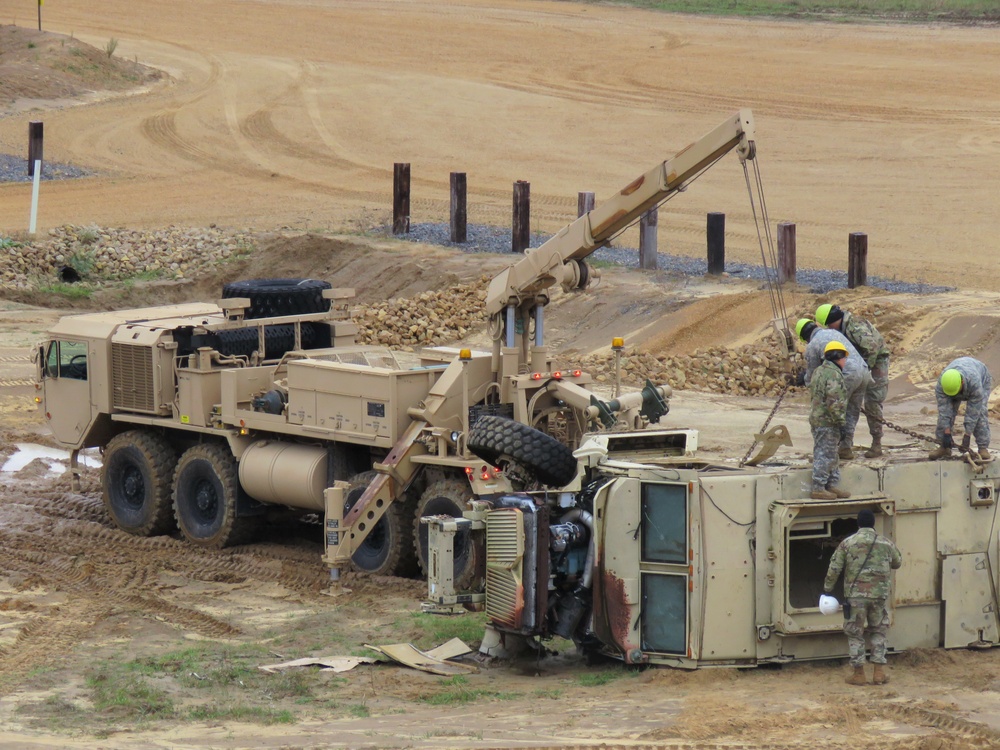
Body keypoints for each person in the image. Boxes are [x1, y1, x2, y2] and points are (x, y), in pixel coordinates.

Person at [823, 508, 902, 686]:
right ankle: (879, 673)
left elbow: (834, 568)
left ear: (858, 524)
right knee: (878, 630)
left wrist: (827, 589)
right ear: (873, 524)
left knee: (855, 633)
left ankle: (859, 674)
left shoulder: (847, 543)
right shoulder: (886, 543)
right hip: (879, 596)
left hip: (855, 597)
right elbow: (897, 562)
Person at [816, 304, 890, 458]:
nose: (830, 329)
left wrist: (865, 368)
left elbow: (872, 348)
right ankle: (845, 446)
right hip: (862, 364)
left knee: (872, 403)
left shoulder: (854, 326)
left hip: (876, 363)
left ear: (834, 320)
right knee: (851, 403)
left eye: (830, 325)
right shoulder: (844, 327)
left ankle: (877, 444)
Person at [796, 319, 873, 460]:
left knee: (829, 412)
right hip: (863, 372)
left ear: (803, 337)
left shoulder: (813, 345)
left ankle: (825, 453)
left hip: (847, 374)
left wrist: (802, 380)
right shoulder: (832, 333)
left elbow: (814, 377)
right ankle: (845, 448)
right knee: (851, 413)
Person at [809, 340, 851, 500]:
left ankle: (831, 485)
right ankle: (819, 487)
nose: (845, 361)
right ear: (838, 357)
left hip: (818, 418)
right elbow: (835, 401)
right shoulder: (834, 374)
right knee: (825, 454)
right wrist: (841, 423)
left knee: (831, 454)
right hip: (828, 421)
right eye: (844, 358)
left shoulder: (819, 371)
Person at [930, 356, 993, 461]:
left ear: (962, 383)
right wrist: (946, 432)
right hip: (955, 386)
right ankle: (944, 447)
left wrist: (967, 434)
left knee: (980, 412)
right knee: (943, 417)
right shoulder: (942, 385)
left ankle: (983, 447)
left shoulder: (974, 382)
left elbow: (973, 412)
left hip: (981, 378)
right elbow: (944, 411)